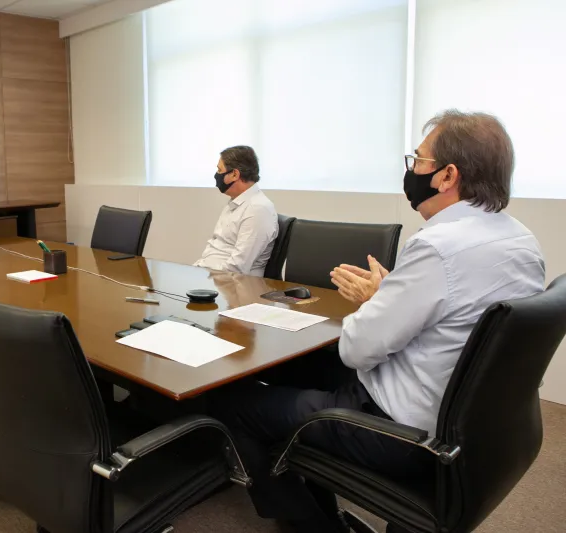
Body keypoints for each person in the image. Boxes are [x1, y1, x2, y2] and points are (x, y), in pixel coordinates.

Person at [211, 110, 545, 533]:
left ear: (447, 176)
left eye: (418, 160)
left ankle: (312, 524)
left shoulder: (439, 246)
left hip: (396, 427)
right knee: (290, 369)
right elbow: (454, 314)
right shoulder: (520, 240)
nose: (411, 170)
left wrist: (375, 300)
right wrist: (393, 296)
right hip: (463, 418)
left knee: (234, 403)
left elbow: (355, 350)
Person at [194, 146, 278, 277]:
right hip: (213, 277)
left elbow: (238, 267)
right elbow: (216, 247)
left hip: (234, 286)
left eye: (219, 170)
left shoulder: (258, 209)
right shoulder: (235, 203)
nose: (217, 175)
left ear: (235, 174)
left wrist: (204, 277)